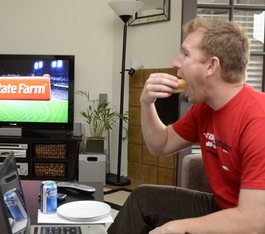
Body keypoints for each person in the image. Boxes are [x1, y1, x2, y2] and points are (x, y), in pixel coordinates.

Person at [107, 16, 265, 234]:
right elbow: (160, 145)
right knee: (143, 197)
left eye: (186, 53)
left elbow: (254, 223)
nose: (176, 63)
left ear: (211, 65)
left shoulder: (258, 120)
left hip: (250, 220)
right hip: (223, 207)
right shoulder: (205, 109)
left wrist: (171, 228)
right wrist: (146, 102)